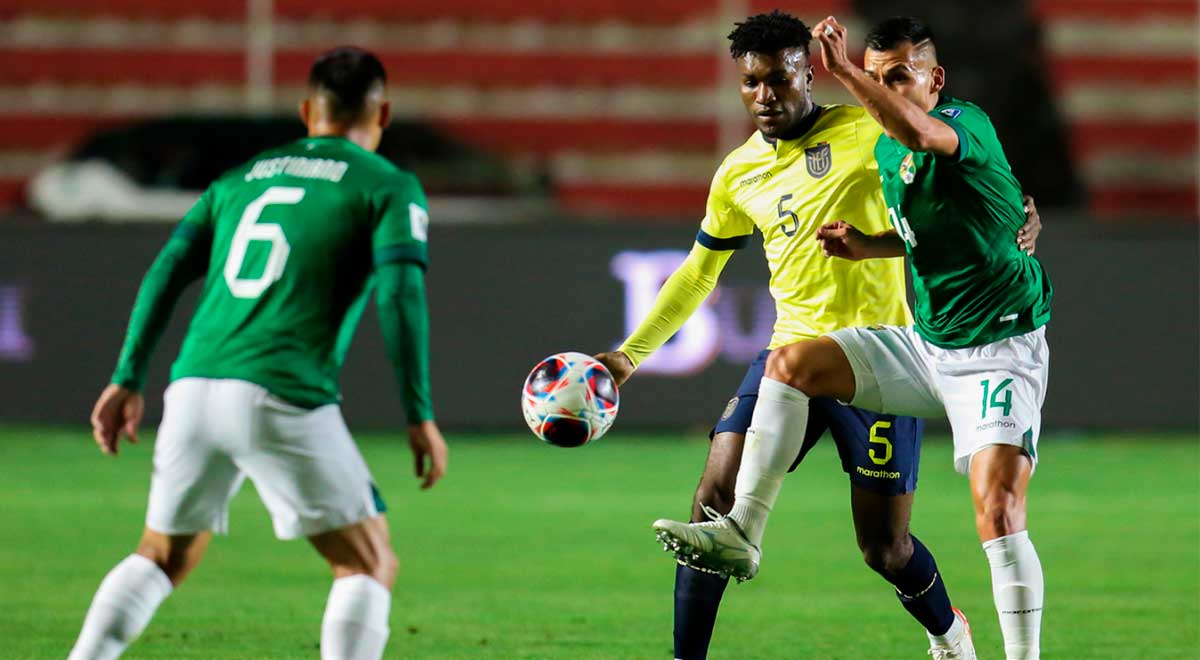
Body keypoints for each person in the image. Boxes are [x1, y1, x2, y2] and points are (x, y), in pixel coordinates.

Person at [598, 11, 1040, 660]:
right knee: (713, 501)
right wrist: (629, 355)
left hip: (884, 354)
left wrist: (1028, 216)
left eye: (780, 79)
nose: (765, 96)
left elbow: (981, 186)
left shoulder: (873, 123)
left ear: (811, 74)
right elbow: (698, 272)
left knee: (884, 548)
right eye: (750, 84)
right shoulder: (737, 173)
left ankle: (949, 634)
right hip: (795, 352)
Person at [68, 46, 448, 660]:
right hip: (281, 390)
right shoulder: (387, 185)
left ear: (306, 111)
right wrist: (419, 413)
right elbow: (401, 297)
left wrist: (127, 376)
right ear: (383, 114)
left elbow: (166, 270)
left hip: (191, 386)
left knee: (163, 554)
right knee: (368, 562)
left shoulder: (241, 178)